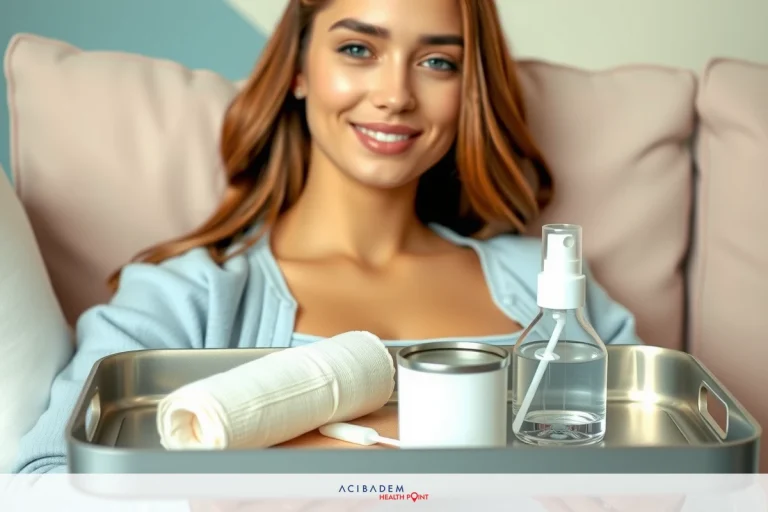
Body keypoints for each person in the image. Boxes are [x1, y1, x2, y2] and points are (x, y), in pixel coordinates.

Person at [12, 0, 641, 475]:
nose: (395, 95)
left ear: (467, 91)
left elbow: (667, 464)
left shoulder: (549, 291)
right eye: (358, 50)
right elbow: (44, 477)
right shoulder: (189, 297)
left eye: (437, 62)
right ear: (299, 71)